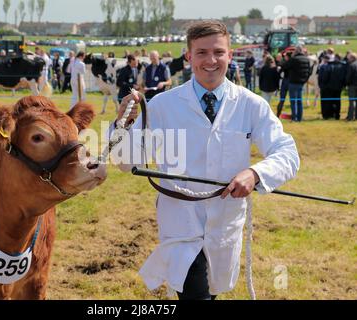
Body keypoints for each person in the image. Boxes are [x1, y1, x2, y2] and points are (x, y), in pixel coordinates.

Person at [109, 20, 300, 300]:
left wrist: (255, 174)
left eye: (218, 52)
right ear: (188, 56)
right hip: (180, 223)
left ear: (230, 55)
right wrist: (121, 126)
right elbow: (127, 162)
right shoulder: (162, 105)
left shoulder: (251, 104)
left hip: (225, 222)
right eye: (201, 53)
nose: (210, 60)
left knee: (211, 291)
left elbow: (287, 152)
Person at [283, 45, 311, 122]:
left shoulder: (294, 59)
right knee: (299, 101)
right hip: (301, 82)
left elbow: (285, 66)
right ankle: (299, 118)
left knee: (293, 101)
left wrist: (291, 57)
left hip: (293, 82)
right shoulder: (306, 59)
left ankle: (294, 118)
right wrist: (305, 80)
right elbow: (309, 71)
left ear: (296, 51)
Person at [318, 54, 347, 120]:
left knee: (328, 101)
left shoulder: (328, 66)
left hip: (328, 87)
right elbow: (343, 78)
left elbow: (324, 77)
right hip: (338, 87)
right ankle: (337, 115)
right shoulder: (342, 66)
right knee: (337, 101)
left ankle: (328, 115)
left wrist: (323, 85)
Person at [345, 52, 357, 121]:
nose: (348, 59)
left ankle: (350, 117)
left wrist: (346, 84)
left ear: (352, 58)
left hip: (352, 86)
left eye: (349, 58)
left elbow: (348, 77)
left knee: (352, 102)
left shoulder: (351, 65)